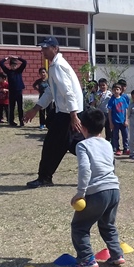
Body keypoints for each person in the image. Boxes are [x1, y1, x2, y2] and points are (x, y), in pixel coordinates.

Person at [23, 36, 83, 188]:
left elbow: (68, 93)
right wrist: (36, 108)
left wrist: (73, 115)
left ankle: (44, 178)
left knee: (58, 145)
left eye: (45, 47)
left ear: (55, 48)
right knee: (69, 144)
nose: (42, 50)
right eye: (41, 48)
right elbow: (51, 91)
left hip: (68, 113)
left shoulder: (58, 67)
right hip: (66, 112)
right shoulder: (54, 65)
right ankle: (45, 177)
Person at [70, 108, 125, 267]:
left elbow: (85, 169)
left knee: (80, 226)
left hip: (97, 191)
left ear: (83, 128)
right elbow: (112, 166)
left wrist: (80, 193)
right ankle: (117, 255)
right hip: (114, 189)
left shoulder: (82, 145)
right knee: (108, 224)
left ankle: (87, 259)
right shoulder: (107, 144)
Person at [0, 55, 27, 127]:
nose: (14, 67)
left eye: (15, 65)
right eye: (12, 65)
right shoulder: (8, 71)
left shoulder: (19, 71)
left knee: (20, 107)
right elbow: (1, 63)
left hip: (19, 91)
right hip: (11, 91)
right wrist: (7, 58)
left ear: (17, 65)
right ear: (10, 65)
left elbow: (25, 62)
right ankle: (11, 121)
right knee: (12, 107)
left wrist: (17, 57)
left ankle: (21, 121)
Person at [107, 83, 129, 156]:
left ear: (120, 90)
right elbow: (109, 112)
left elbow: (126, 110)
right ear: (112, 91)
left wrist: (126, 120)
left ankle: (126, 148)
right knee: (115, 136)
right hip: (115, 122)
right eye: (114, 90)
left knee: (125, 135)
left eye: (117, 89)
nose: (116, 91)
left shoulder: (123, 99)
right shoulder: (111, 100)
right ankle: (117, 149)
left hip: (123, 121)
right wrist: (110, 123)